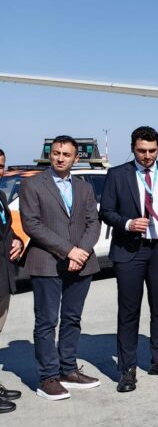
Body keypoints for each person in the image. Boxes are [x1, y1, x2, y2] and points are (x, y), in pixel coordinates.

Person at [99, 126, 158, 393]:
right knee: (129, 311)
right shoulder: (117, 174)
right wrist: (127, 223)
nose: (147, 156)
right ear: (132, 148)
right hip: (130, 250)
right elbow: (106, 211)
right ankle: (127, 369)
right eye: (141, 151)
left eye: (152, 150)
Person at [19, 136, 102, 400]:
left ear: (76, 158)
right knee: (46, 322)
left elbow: (93, 222)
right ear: (50, 155)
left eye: (66, 154)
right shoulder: (32, 184)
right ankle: (48, 378)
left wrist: (81, 251)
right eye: (56, 153)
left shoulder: (84, 187)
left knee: (72, 319)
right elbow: (32, 224)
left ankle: (68, 370)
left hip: (81, 264)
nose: (60, 158)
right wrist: (68, 250)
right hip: (47, 262)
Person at [0, 148, 24, 412]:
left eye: (1, 166)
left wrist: (17, 240)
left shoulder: (1, 196)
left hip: (3, 276)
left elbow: (7, 230)